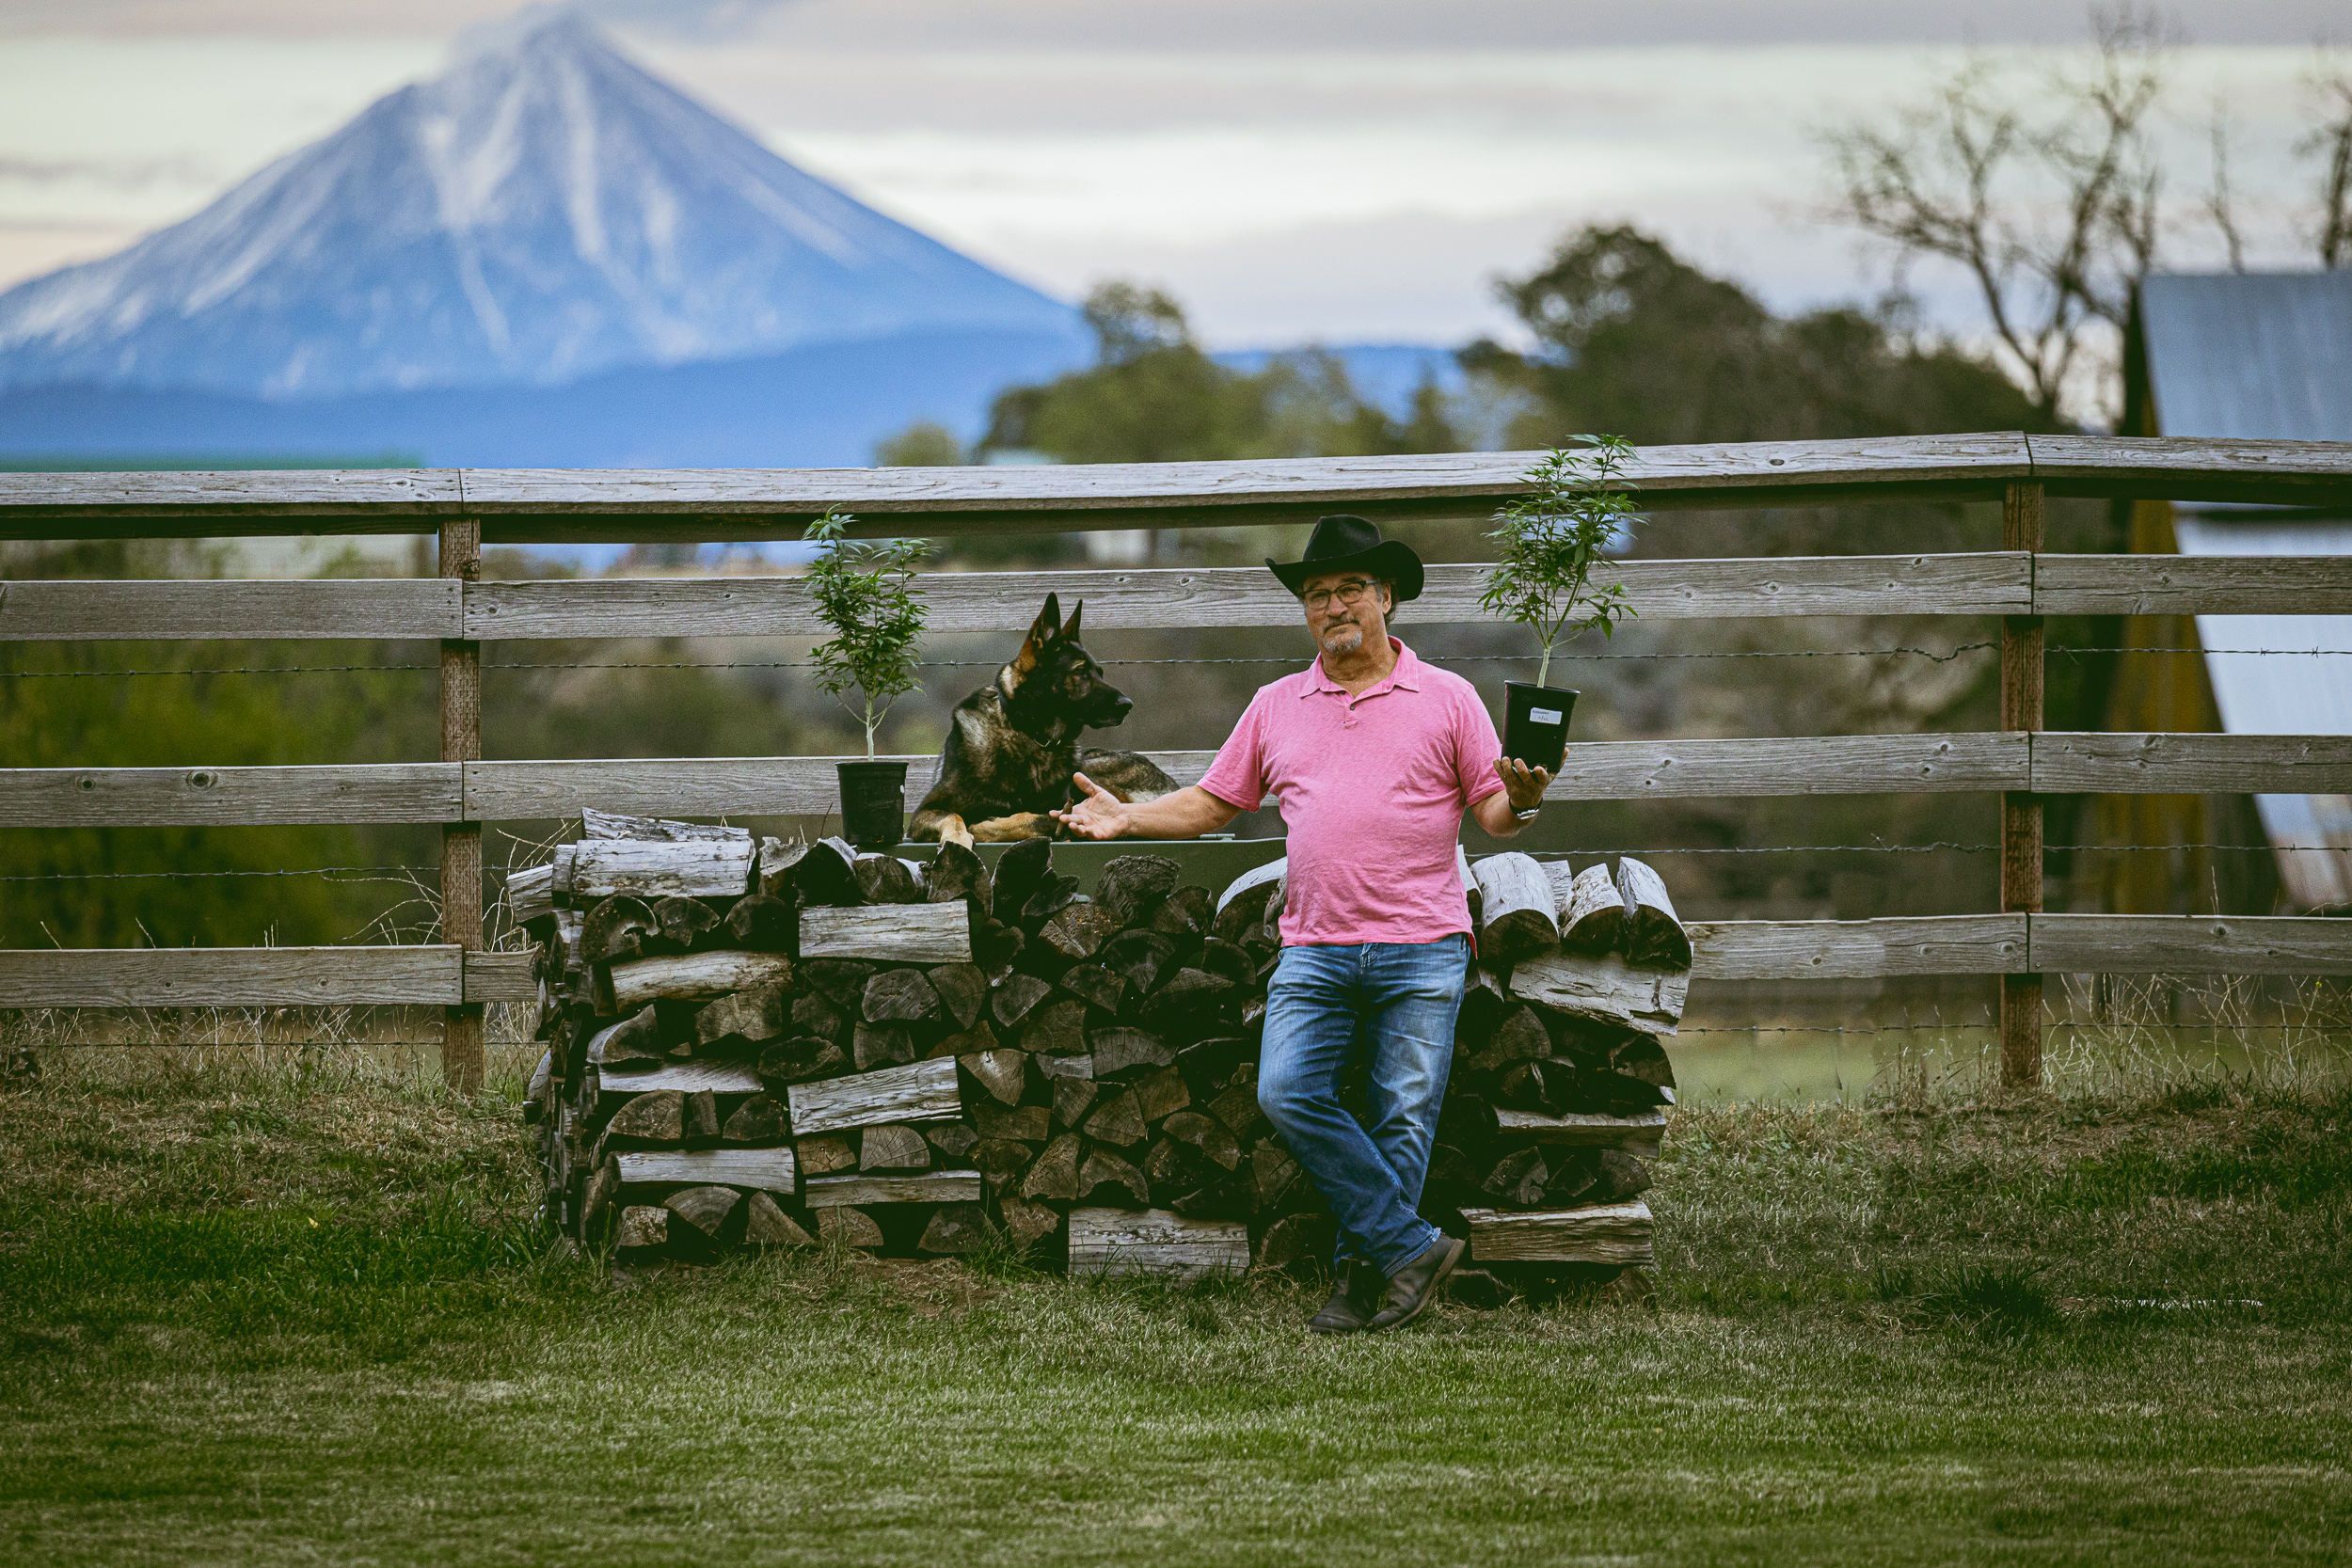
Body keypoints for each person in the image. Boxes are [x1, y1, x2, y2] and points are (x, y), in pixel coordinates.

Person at [1051, 514, 1552, 1332]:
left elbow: (1492, 814)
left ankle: (1365, 1279)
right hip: (1314, 948)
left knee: (1402, 1115)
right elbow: (1215, 802)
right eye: (1316, 594)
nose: (1332, 605)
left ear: (1387, 596)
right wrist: (1128, 817)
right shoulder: (1276, 704)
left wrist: (1523, 803)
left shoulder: (1449, 698)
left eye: (1350, 588)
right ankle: (1412, 1247)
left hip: (1422, 945)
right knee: (1286, 1090)